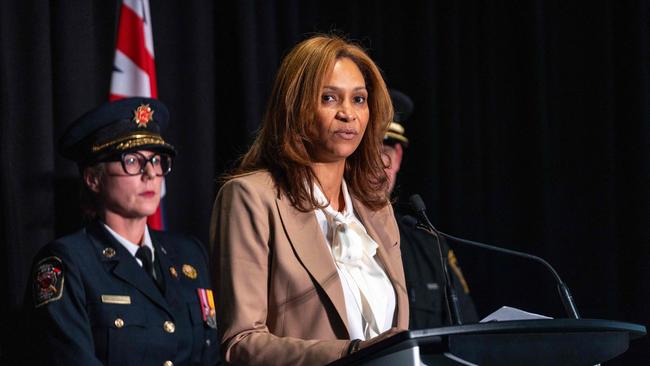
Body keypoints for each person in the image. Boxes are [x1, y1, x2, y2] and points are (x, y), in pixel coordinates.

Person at [210, 35, 409, 365]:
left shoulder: (377, 209)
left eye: (359, 100)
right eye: (330, 98)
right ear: (295, 107)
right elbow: (241, 342)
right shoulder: (251, 198)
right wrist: (351, 355)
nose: (348, 113)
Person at [24, 98, 220, 366]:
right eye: (132, 160)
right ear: (93, 178)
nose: (150, 173)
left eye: (157, 160)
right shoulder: (66, 264)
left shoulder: (189, 255)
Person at [383, 89, 478, 329]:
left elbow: (466, 330)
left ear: (398, 158)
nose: (377, 165)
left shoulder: (430, 244)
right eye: (366, 153)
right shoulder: (333, 234)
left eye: (385, 153)